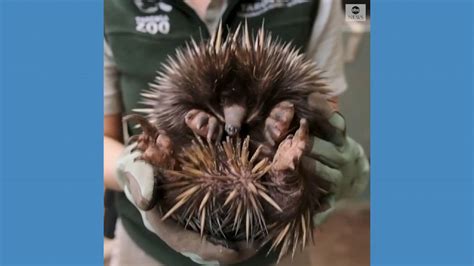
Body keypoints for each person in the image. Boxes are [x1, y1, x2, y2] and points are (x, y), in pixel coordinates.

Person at [104, 0, 369, 265]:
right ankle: (276, 171)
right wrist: (127, 170)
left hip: (272, 243)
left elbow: (323, 113)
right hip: (154, 239)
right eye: (226, 107)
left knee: (292, 182)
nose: (232, 123)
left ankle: (283, 171)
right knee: (178, 158)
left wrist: (334, 152)